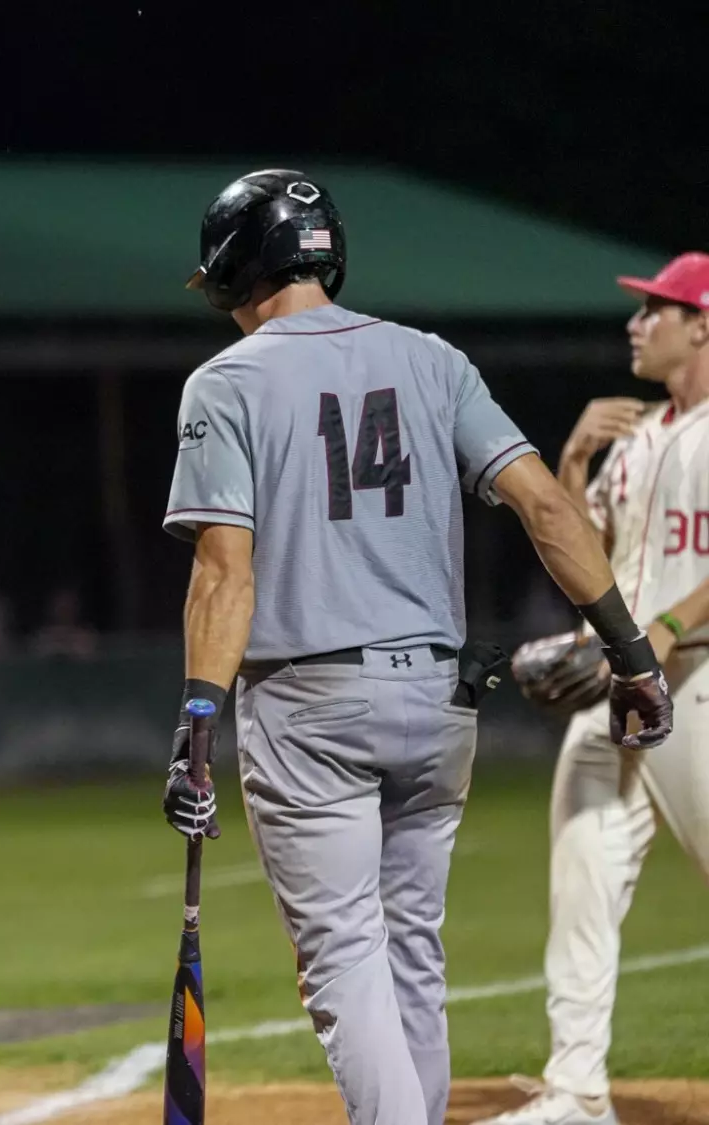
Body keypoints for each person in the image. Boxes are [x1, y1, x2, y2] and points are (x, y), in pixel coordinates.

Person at [157, 170, 674, 1125]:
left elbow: (225, 575)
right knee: (411, 955)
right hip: (440, 703)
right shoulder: (433, 359)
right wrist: (632, 655)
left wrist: (197, 714)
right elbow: (548, 507)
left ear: (234, 272)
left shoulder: (226, 380)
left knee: (346, 958)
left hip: (309, 706)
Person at [476, 252, 709, 1125]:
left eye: (656, 309)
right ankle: (577, 1092)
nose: (635, 323)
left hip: (699, 684)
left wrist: (664, 629)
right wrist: (571, 459)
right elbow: (585, 551)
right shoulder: (636, 438)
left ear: (703, 325)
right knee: (580, 876)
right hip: (621, 693)